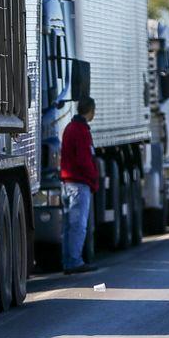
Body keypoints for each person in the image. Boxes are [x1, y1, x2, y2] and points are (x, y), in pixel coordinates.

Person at [60, 96, 99, 274]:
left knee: (69, 226)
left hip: (67, 183)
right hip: (79, 184)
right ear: (90, 110)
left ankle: (68, 261)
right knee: (79, 225)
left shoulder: (69, 128)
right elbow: (84, 160)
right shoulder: (81, 130)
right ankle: (75, 261)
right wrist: (93, 179)